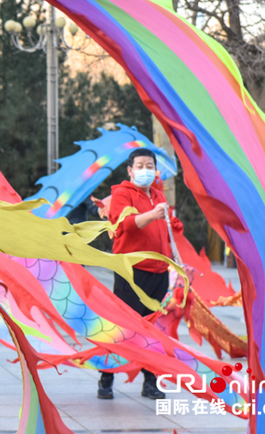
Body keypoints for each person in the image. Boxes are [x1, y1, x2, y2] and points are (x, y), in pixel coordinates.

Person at [98, 148, 176, 401]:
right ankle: (106, 379)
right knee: (122, 327)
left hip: (159, 272)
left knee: (153, 330)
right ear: (130, 171)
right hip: (132, 272)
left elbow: (165, 228)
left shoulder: (157, 194)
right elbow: (124, 226)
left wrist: (172, 224)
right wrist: (152, 215)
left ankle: (150, 382)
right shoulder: (121, 194)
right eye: (140, 166)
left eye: (150, 166)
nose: (146, 170)